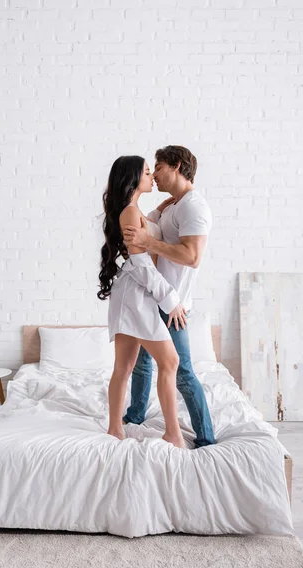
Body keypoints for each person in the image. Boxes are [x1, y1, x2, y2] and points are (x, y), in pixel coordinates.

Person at [122, 145, 216, 448]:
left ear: (176, 167)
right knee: (142, 363)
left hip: (172, 303)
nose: (155, 175)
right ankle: (135, 416)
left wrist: (149, 242)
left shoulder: (194, 207)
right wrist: (156, 212)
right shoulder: (175, 205)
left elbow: (192, 257)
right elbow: (155, 227)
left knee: (182, 371)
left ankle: (205, 437)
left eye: (159, 167)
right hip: (155, 297)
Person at [98, 155, 187, 448]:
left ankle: (115, 428)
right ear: (134, 179)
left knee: (124, 366)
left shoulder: (134, 211)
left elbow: (147, 236)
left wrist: (159, 209)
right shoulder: (130, 214)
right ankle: (172, 434)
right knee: (169, 360)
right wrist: (170, 301)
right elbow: (142, 265)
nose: (152, 177)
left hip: (133, 294)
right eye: (148, 173)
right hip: (135, 296)